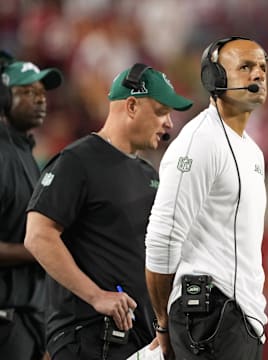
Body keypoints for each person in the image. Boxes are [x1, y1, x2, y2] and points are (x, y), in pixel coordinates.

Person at [24, 63, 193, 360]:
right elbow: (38, 236)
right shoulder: (77, 161)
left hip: (138, 338)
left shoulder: (147, 173)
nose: (169, 123)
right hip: (90, 336)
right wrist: (96, 296)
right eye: (161, 111)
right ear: (131, 105)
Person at [145, 37, 268, 360]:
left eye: (262, 67)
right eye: (245, 66)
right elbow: (162, 237)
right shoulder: (201, 141)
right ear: (214, 79)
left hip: (240, 318)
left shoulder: (252, 151)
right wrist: (162, 323)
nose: (258, 74)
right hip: (210, 317)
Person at [0, 51, 63, 360]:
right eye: (26, 92)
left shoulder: (25, 153)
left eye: (41, 93)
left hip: (26, 317)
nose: (40, 99)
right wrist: (39, 248)